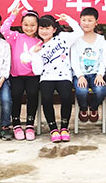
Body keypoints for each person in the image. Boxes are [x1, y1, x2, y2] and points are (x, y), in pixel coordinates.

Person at [30, 13, 83, 143]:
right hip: (46, 78)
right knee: (47, 99)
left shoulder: (63, 38)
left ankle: (64, 127)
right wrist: (35, 54)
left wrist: (69, 19)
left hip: (64, 76)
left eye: (48, 28)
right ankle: (53, 128)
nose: (44, 31)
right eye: (41, 28)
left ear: (54, 29)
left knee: (66, 97)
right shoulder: (37, 46)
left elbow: (79, 33)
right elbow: (37, 71)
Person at [1, 6, 42, 140]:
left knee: (33, 95)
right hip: (16, 76)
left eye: (32, 25)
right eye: (26, 25)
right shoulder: (16, 37)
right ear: (21, 24)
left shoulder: (40, 41)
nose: (29, 28)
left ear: (37, 25)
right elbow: (3, 30)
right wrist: (12, 16)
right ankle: (16, 124)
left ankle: (30, 124)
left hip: (33, 76)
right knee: (16, 96)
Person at [71, 7, 106, 124]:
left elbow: (103, 59)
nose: (86, 23)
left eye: (90, 20)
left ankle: (93, 107)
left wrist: (100, 74)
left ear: (96, 22)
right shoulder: (75, 39)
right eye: (84, 20)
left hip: (96, 74)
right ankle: (83, 108)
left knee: (101, 90)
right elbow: (74, 60)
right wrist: (80, 76)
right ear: (80, 21)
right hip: (80, 74)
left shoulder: (101, 40)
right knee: (81, 91)